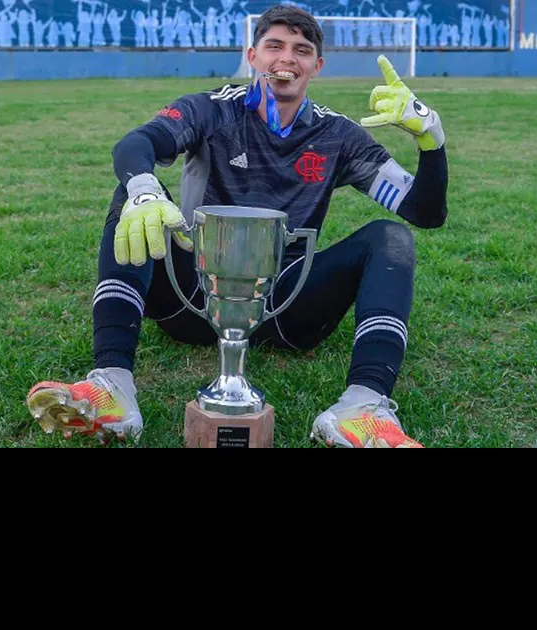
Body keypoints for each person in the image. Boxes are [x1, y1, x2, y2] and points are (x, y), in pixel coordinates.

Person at [27, 5, 448, 448]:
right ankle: (112, 386)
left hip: (286, 306)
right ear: (253, 54)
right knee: (129, 198)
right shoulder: (212, 108)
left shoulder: (336, 135)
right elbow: (138, 143)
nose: (287, 58)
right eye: (275, 46)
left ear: (317, 66)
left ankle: (362, 407)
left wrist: (431, 139)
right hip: (193, 301)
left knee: (391, 238)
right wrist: (145, 189)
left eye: (302, 50)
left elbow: (423, 212)